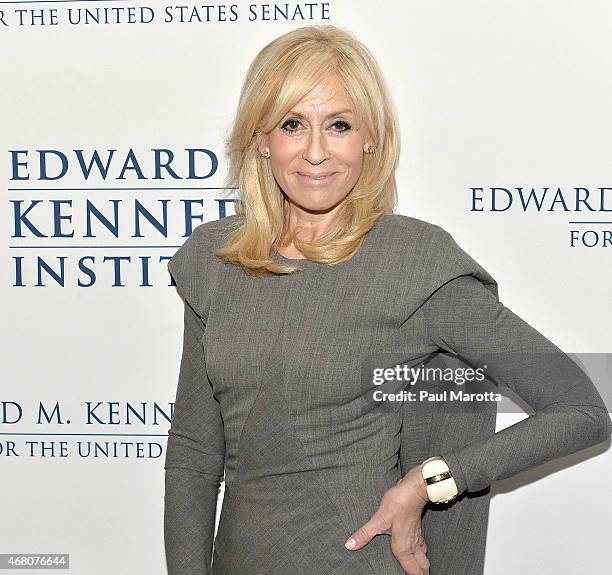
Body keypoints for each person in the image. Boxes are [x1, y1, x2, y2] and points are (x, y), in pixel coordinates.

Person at [163, 24, 611, 575]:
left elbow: (583, 410)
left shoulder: (414, 262)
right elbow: (193, 453)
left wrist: (431, 481)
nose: (316, 152)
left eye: (340, 125)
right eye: (292, 124)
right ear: (261, 138)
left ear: (369, 138)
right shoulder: (215, 259)